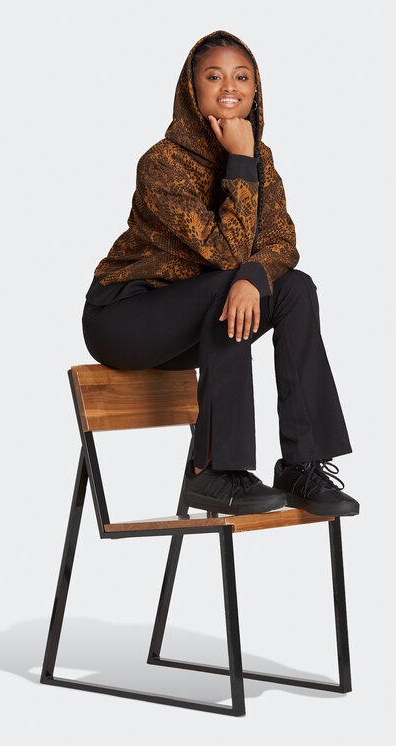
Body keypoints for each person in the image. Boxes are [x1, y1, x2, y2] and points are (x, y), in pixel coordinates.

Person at [82, 29, 359, 518]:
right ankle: (214, 469)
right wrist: (239, 161)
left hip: (196, 322)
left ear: (256, 90)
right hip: (123, 318)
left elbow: (283, 243)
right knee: (228, 284)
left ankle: (302, 463)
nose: (229, 86)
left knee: (295, 288)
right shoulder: (162, 164)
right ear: (192, 89)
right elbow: (225, 252)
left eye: (242, 77)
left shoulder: (260, 159)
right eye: (214, 76)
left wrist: (253, 274)